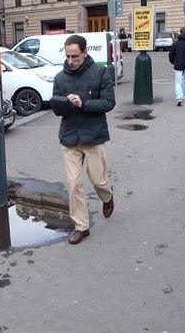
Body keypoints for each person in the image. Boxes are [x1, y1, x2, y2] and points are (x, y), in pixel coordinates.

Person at [49, 34, 116, 245]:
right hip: (69, 138)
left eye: (75, 56)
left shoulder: (100, 72)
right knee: (73, 184)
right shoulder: (60, 78)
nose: (71, 61)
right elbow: (56, 108)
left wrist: (83, 103)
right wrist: (63, 103)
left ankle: (107, 197)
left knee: (98, 180)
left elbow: (108, 103)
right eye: (68, 56)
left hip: (93, 136)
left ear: (85, 53)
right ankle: (81, 226)